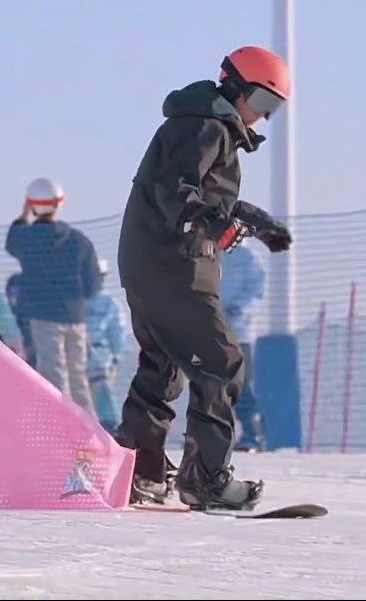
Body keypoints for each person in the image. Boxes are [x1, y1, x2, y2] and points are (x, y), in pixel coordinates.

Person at [115, 46, 293, 510]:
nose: (261, 116)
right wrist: (214, 225)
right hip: (173, 265)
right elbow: (177, 189)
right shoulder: (204, 126)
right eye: (260, 101)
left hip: (152, 262)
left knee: (164, 367)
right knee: (222, 363)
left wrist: (257, 223)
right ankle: (205, 479)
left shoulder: (205, 126)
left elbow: (206, 197)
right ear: (234, 85)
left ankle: (139, 470)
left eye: (272, 109)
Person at [5, 178, 101, 415]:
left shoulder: (28, 238)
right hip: (75, 316)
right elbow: (93, 285)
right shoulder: (79, 241)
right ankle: (88, 431)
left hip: (42, 315)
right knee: (78, 373)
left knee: (53, 371)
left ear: (31, 204)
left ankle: (60, 424)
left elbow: (11, 242)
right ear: (60, 202)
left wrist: (23, 215)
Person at [220, 243, 267, 452]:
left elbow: (257, 290)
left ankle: (252, 432)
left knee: (240, 383)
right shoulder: (205, 250)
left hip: (239, 332)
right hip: (210, 330)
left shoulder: (246, 257)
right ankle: (215, 435)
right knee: (210, 383)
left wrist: (238, 308)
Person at [85, 259, 125, 432]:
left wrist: (114, 358)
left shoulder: (108, 302)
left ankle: (108, 431)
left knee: (101, 394)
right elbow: (117, 333)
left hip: (98, 356)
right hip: (83, 355)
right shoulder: (107, 302)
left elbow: (117, 333)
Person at [6, 272, 36, 368]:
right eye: (13, 291)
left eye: (18, 291)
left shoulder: (33, 323)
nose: (15, 295)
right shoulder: (4, 317)